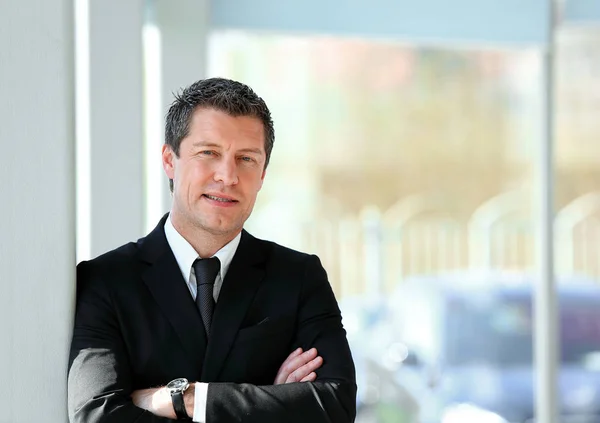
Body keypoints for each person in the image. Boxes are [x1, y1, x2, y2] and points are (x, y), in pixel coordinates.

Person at [67, 77, 357, 422]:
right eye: (209, 153)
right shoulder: (105, 280)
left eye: (246, 159)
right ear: (169, 159)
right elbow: (98, 416)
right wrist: (272, 401)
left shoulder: (299, 277)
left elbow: (335, 407)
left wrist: (185, 399)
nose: (228, 176)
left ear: (263, 173)